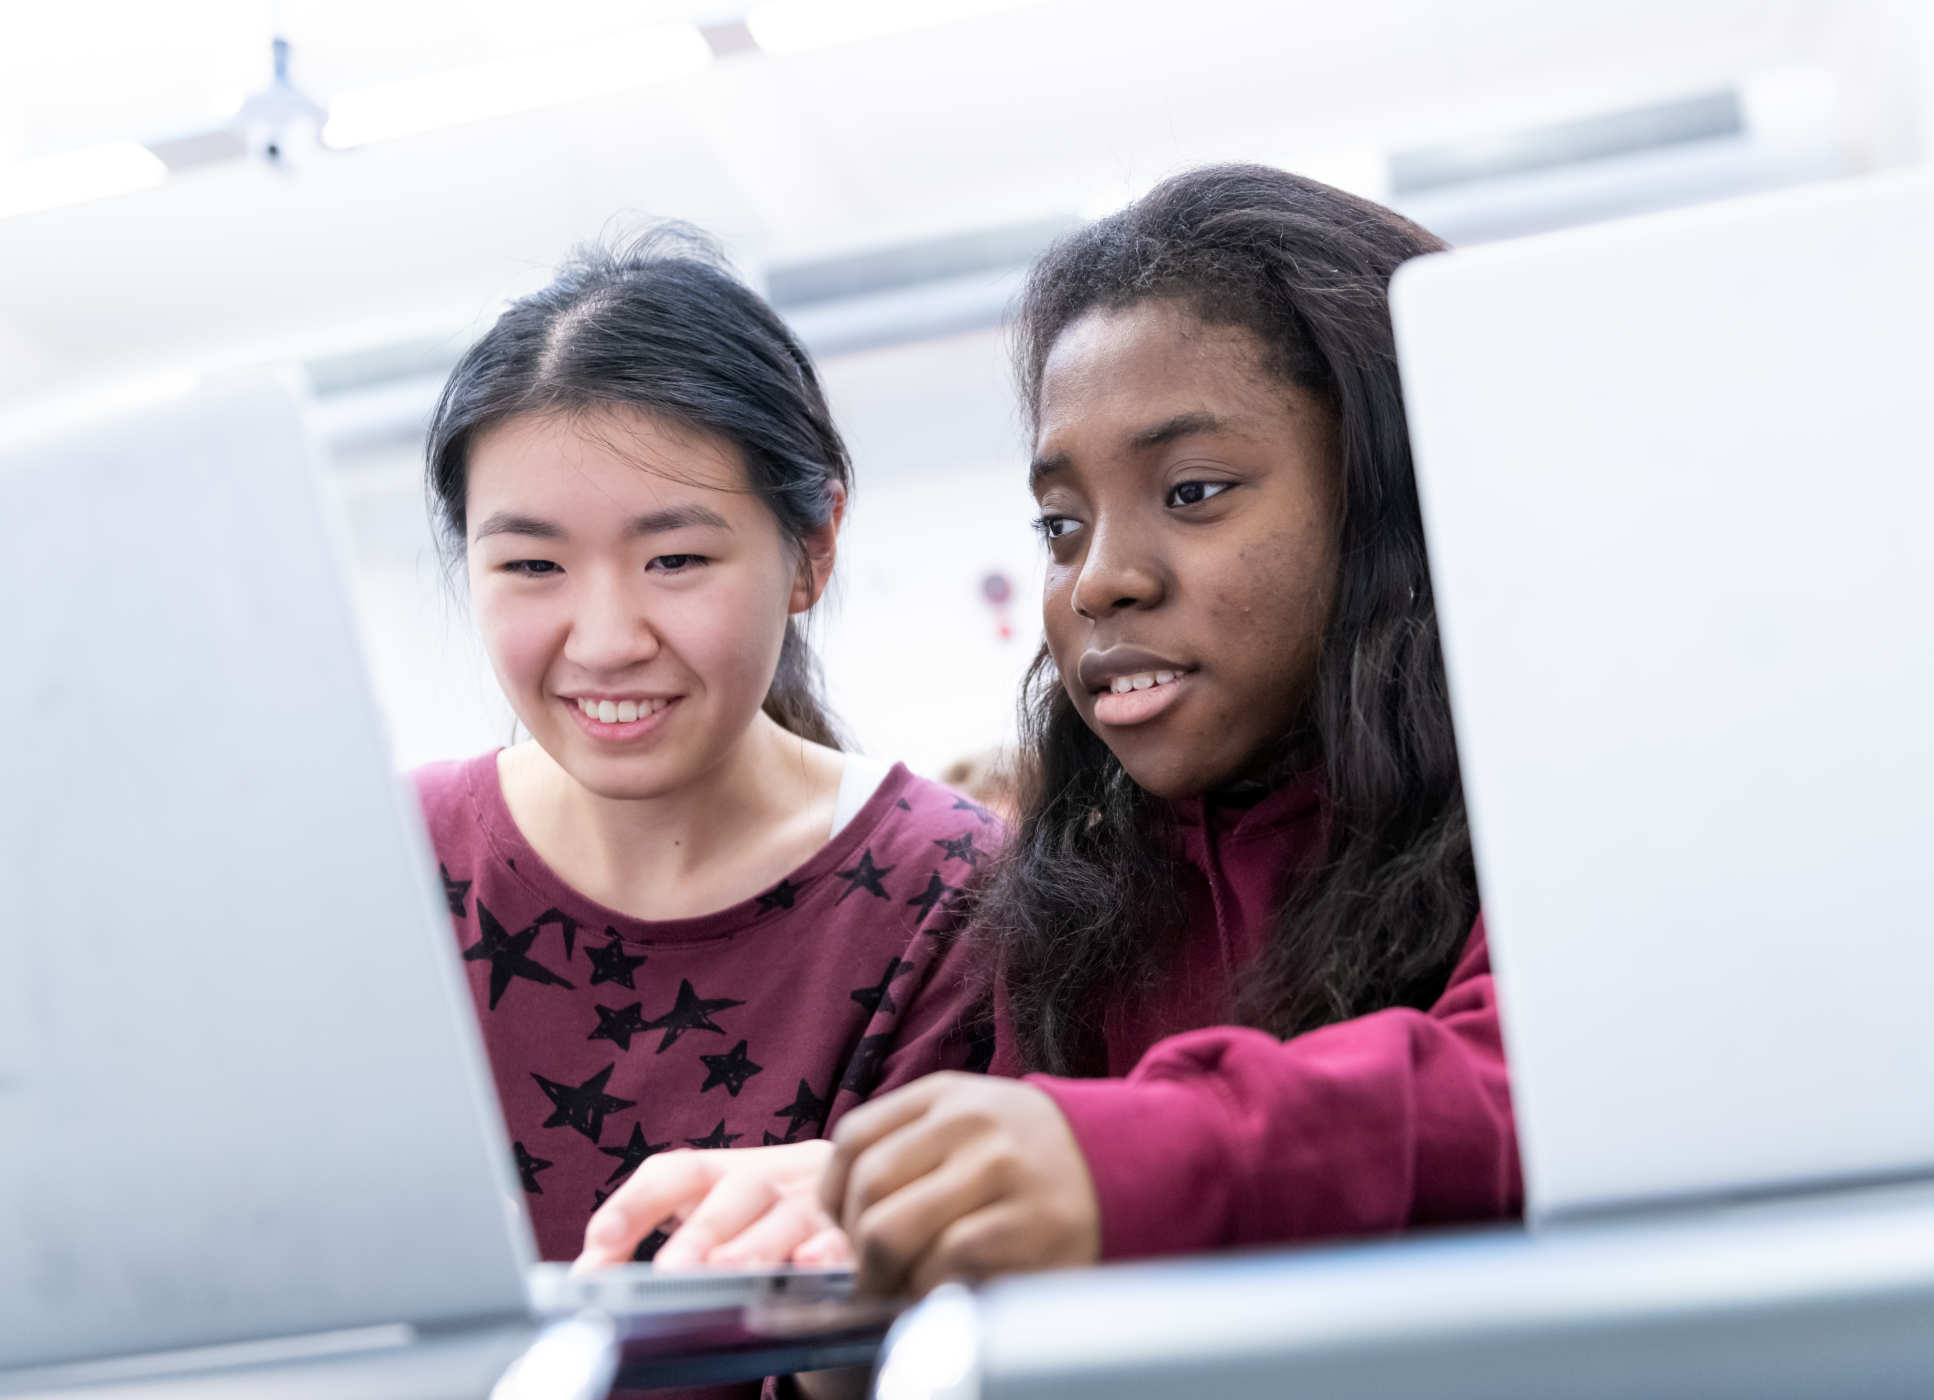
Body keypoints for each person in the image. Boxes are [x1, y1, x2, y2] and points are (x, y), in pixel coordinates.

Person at [580, 166, 1520, 1299]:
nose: (1098, 581)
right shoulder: (1083, 901)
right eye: (1060, 524)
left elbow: (1528, 1084)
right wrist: (867, 1272)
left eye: (1192, 491)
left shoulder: (1557, 801)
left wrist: (1106, 1151)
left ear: (1391, 502)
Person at [412, 228, 995, 1283]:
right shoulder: (392, 866)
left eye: (674, 558)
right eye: (532, 563)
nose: (604, 638)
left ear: (811, 547)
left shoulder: (951, 893)